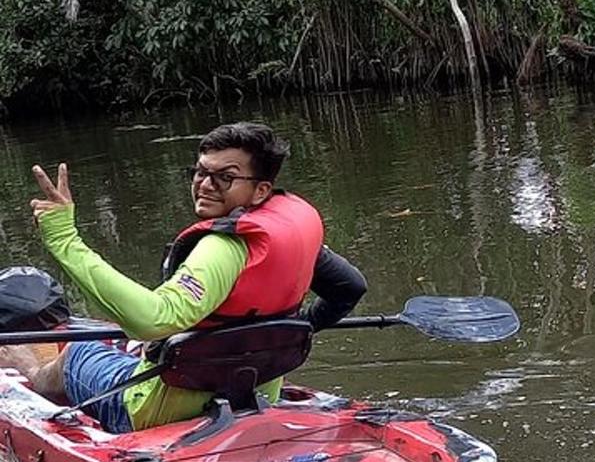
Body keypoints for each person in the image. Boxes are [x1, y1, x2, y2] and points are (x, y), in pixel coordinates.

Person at [0, 122, 366, 433]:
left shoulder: (223, 248)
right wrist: (285, 334)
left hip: (159, 414)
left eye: (225, 178)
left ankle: (29, 371)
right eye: (201, 171)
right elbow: (349, 289)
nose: (205, 184)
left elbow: (152, 320)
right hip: (256, 394)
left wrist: (66, 239)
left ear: (261, 190)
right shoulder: (289, 235)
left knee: (76, 352)